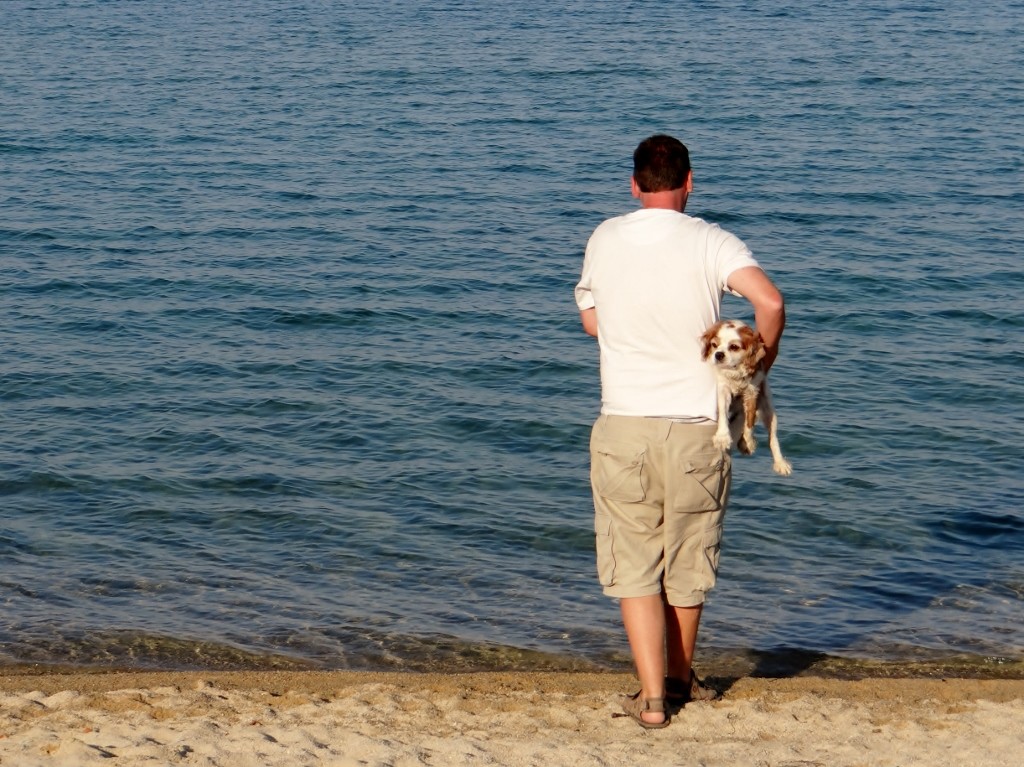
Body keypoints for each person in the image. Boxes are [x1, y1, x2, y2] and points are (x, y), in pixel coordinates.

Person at [574, 134, 785, 728]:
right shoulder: (712, 241)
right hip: (698, 427)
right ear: (690, 182)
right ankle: (679, 679)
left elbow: (591, 322)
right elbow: (769, 302)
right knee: (689, 560)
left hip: (625, 423)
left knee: (634, 563)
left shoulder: (605, 237)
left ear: (634, 185)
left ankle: (651, 702)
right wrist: (758, 365)